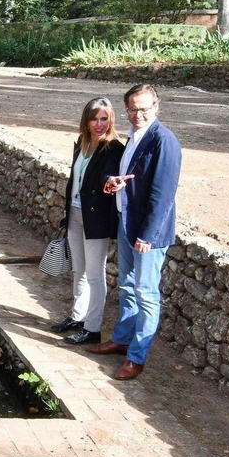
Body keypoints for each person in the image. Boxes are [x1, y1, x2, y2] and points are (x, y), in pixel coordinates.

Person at [91, 83, 181, 380]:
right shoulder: (133, 137)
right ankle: (121, 340)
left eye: (144, 108)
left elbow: (163, 194)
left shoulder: (163, 141)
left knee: (145, 293)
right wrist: (113, 182)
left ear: (157, 107)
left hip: (147, 234)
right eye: (132, 108)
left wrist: (148, 236)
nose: (138, 114)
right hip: (127, 223)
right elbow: (129, 177)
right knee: (127, 286)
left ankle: (136, 357)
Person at [49, 98, 125, 345]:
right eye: (95, 118)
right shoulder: (81, 143)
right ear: (87, 120)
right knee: (78, 270)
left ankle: (92, 329)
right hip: (75, 214)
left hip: (96, 219)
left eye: (104, 119)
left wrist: (110, 181)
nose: (100, 124)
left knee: (94, 274)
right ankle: (77, 316)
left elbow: (108, 174)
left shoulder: (113, 147)